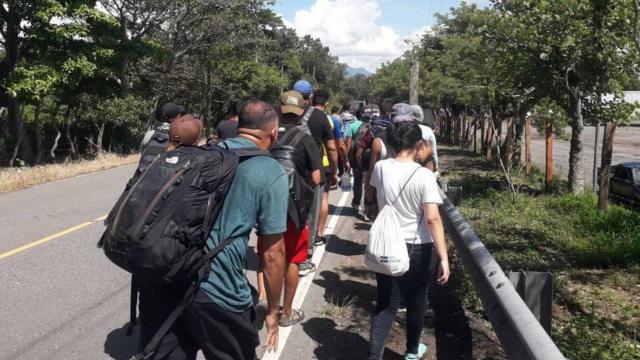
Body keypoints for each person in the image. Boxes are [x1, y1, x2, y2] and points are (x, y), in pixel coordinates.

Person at [137, 101, 288, 360]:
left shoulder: (202, 153)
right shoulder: (270, 171)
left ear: (239, 126)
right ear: (274, 133)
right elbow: (273, 255)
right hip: (218, 288)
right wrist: (274, 311)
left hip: (165, 277)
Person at [366, 121, 450, 360]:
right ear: (418, 144)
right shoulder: (424, 176)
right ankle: (412, 351)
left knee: (386, 303)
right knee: (417, 299)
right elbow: (432, 219)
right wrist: (444, 257)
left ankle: (374, 355)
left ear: (391, 143)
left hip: (387, 246)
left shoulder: (381, 168)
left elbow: (372, 193)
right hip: (418, 247)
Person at [256, 90, 323, 327]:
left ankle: (264, 300)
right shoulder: (306, 138)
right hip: (295, 209)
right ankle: (286, 312)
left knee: (266, 253)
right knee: (293, 258)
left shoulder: (267, 136)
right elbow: (316, 178)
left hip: (267, 205)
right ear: (301, 111)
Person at [292, 80, 338, 277]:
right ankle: (304, 257)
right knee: (310, 212)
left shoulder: (281, 115)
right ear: (309, 96)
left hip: (285, 169)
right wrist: (335, 171)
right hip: (313, 172)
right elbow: (332, 147)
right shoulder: (320, 117)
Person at [138, 102, 185, 173]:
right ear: (176, 118)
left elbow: (142, 152)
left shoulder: (151, 134)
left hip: (142, 177)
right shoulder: (178, 138)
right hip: (162, 179)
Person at [346, 109, 365, 212]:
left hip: (355, 157)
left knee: (357, 180)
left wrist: (346, 157)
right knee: (367, 180)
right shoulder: (368, 125)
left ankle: (356, 202)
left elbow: (349, 143)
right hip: (366, 157)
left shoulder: (352, 126)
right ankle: (367, 204)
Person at [411, 105, 438, 171]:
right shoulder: (428, 130)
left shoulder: (404, 130)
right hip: (423, 164)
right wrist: (436, 167)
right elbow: (434, 152)